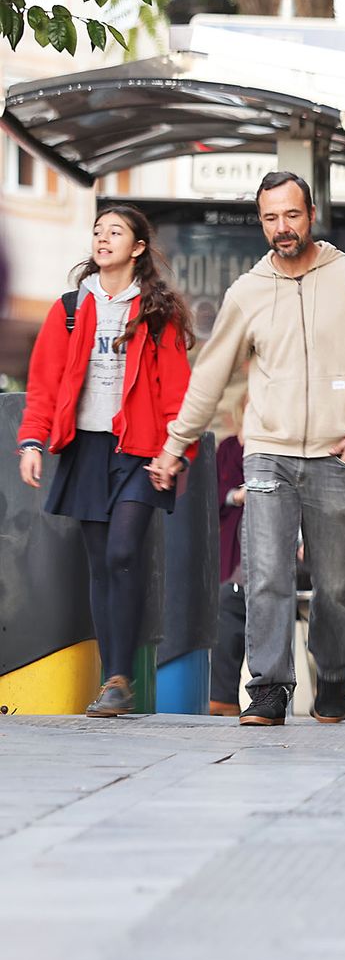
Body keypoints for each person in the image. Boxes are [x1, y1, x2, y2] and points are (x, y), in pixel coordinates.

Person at [149, 171, 345, 726]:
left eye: (291, 215)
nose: (282, 228)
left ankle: (334, 679)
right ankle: (268, 689)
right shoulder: (248, 291)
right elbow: (210, 375)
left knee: (336, 583)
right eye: (270, 218)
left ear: (311, 214)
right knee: (265, 573)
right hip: (267, 450)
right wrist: (175, 445)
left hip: (337, 454)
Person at [17, 204, 195, 717]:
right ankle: (114, 679)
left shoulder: (158, 311)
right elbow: (44, 382)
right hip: (87, 448)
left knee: (122, 553)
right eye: (97, 231)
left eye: (115, 231)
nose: (102, 238)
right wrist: (32, 441)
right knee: (101, 564)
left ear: (138, 247)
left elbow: (175, 387)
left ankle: (119, 673)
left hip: (142, 450)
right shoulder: (70, 308)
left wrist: (175, 449)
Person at [208, 418, 247, 716]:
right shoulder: (229, 448)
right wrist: (237, 496)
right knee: (228, 604)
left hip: (272, 547)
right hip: (233, 551)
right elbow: (215, 493)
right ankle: (223, 697)